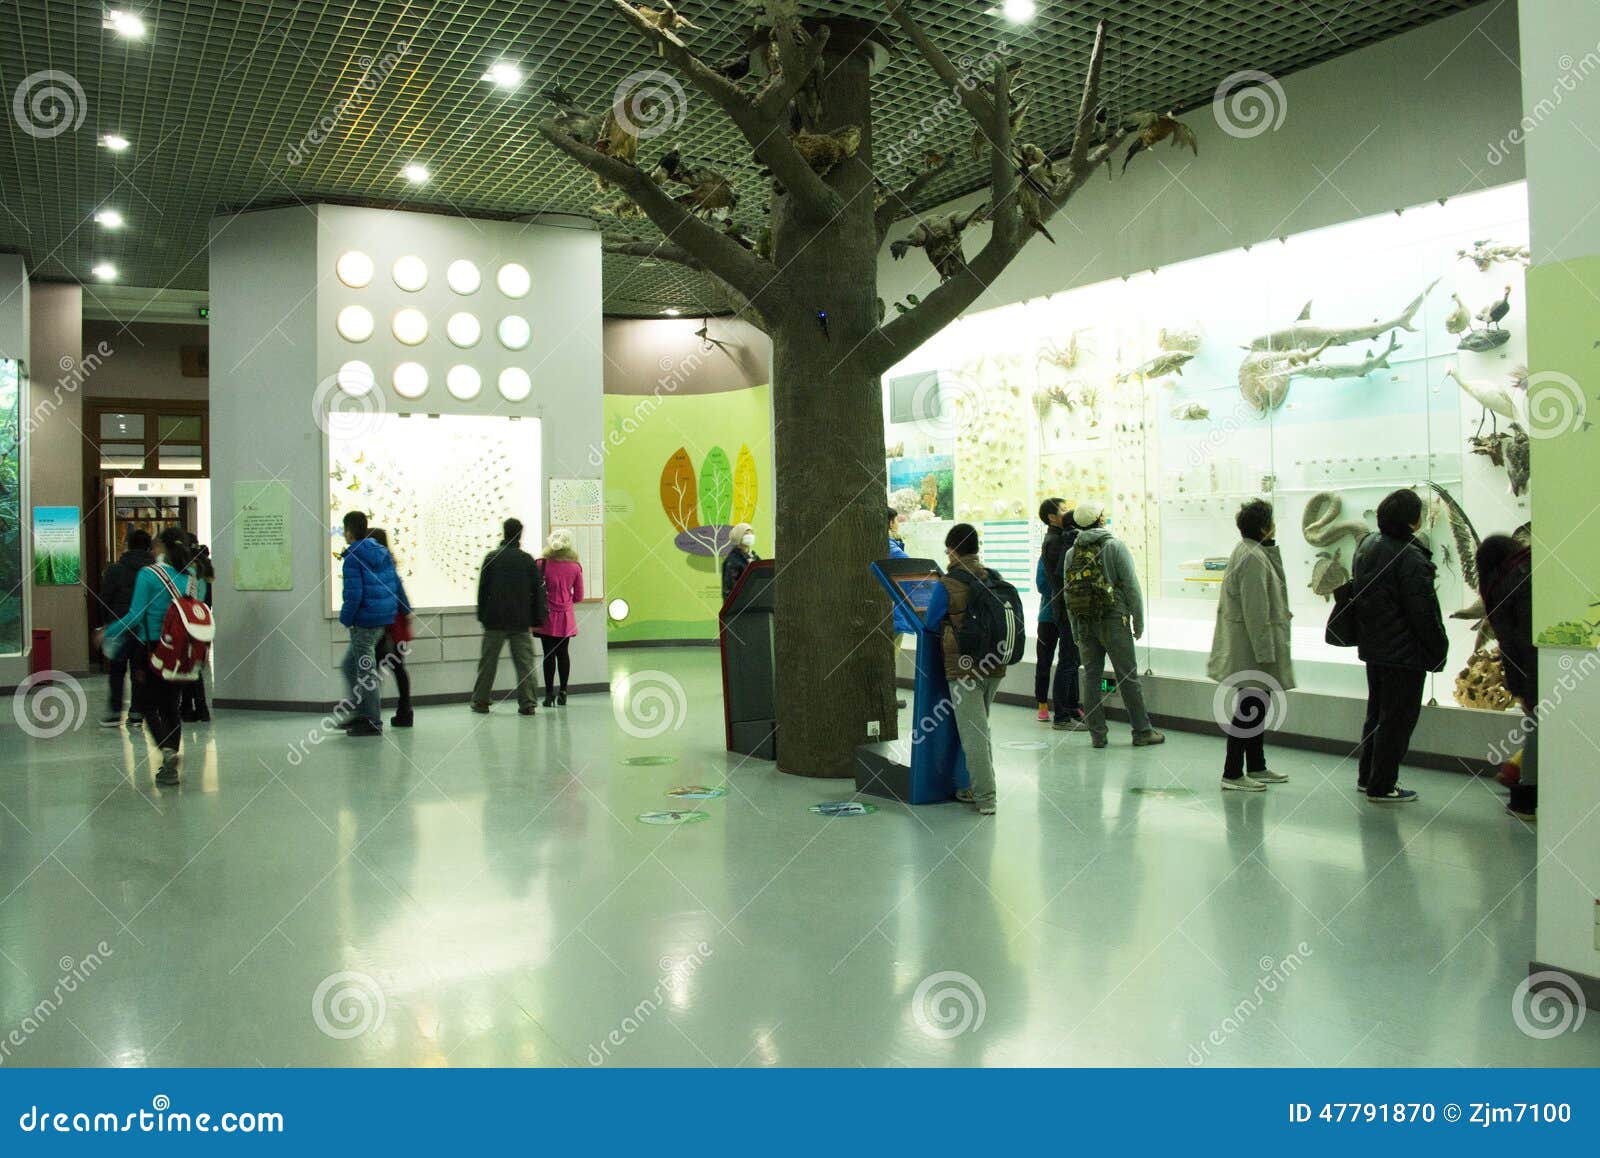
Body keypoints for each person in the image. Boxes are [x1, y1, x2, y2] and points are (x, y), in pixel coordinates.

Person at [1351, 488, 1448, 803]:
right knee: (1397, 720)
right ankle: (1382, 785)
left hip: (1375, 648)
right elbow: (1422, 612)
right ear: (1413, 520)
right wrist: (1438, 648)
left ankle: (1368, 777)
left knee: (1377, 714)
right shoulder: (1410, 557)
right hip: (1403, 654)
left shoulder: (1368, 545)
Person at [97, 528, 204, 785]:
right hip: (181, 650)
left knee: (145, 704)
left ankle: (167, 751)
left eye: (156, 546)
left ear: (162, 548)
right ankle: (170, 768)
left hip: (151, 648)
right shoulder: (191, 578)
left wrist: (108, 632)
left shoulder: (149, 575)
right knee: (172, 706)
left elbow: (135, 615)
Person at [1206, 499, 1294, 790]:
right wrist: (1265, 652)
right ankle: (1232, 773)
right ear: (1264, 527)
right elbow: (1256, 610)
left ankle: (1256, 766)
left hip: (1252, 647)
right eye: (1271, 522)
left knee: (1256, 706)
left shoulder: (1253, 552)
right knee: (1249, 710)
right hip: (1254, 650)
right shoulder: (1252, 557)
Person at [1065, 500, 1165, 749]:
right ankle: (1142, 731)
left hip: (1085, 623)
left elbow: (1068, 595)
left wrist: (1075, 628)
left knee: (1090, 677)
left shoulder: (1071, 553)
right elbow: (1131, 586)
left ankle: (1097, 735)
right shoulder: (1114, 547)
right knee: (1127, 677)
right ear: (1100, 519)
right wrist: (1138, 620)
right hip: (1114, 620)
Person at [922, 523, 1005, 816]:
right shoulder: (993, 577)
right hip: (995, 663)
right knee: (981, 728)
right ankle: (976, 786)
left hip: (964, 667)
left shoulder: (949, 583)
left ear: (953, 550)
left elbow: (930, 623)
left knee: (973, 734)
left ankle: (986, 798)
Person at [1477, 534, 1536, 820]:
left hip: (1526, 672)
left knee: (1537, 729)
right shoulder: (1527, 575)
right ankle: (1525, 796)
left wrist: (1519, 686)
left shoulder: (1498, 588)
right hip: (1537, 669)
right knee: (1539, 731)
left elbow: (1511, 643)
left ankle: (1519, 783)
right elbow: (1525, 639)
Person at [472, 518, 546, 716]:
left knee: (488, 663)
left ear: (503, 532)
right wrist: (538, 619)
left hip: (494, 620)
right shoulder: (527, 560)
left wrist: (482, 616)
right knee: (525, 664)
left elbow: (483, 590)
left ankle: (481, 701)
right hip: (520, 620)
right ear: (520, 534)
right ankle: (528, 703)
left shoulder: (492, 558)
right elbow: (537, 592)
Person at [338, 510, 400, 737]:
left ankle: (372, 721)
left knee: (366, 672)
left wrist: (346, 618)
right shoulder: (380, 552)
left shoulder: (353, 557)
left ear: (349, 531)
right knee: (350, 666)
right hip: (380, 620)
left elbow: (354, 595)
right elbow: (392, 584)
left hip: (363, 623)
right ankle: (360, 712)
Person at [97, 528, 154, 728]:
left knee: (116, 671)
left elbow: (104, 600)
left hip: (120, 628)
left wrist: (108, 624)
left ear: (128, 545)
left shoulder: (114, 570)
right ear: (149, 546)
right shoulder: (155, 570)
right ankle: (137, 713)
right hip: (145, 630)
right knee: (140, 672)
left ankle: (114, 712)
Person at [1036, 497, 1084, 729]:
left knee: (1073, 660)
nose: (1068, 513)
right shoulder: (1054, 541)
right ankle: (1062, 716)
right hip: (1063, 609)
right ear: (1052, 517)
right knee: (1066, 661)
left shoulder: (1060, 537)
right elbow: (1059, 574)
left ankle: (1072, 708)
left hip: (1067, 608)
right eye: (1063, 510)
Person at [367, 528, 415, 729]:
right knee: (397, 666)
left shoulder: (377, 564)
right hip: (398, 622)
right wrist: (406, 610)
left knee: (373, 668)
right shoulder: (389, 562)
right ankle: (405, 710)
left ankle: (371, 713)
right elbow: (399, 589)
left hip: (386, 622)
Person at [536, 529, 584, 707]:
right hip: (566, 617)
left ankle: (549, 695)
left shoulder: (541, 564)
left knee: (548, 656)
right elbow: (578, 596)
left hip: (547, 617)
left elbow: (534, 591)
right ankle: (563, 692)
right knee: (563, 654)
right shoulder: (575, 567)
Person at [178, 536, 215, 723]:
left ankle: (189, 708)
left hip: (188, 621)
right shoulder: (204, 569)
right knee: (195, 666)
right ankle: (198, 708)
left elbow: (187, 597)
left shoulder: (189, 572)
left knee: (188, 666)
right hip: (201, 620)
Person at [887, 507, 914, 709]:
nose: (898, 524)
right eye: (896, 521)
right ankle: (889, 697)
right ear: (889, 523)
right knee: (891, 656)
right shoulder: (890, 546)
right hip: (892, 611)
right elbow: (908, 565)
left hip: (887, 611)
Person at [722, 522, 759, 599]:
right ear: (738, 537)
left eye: (751, 533)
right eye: (746, 533)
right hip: (741, 606)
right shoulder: (733, 561)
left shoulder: (754, 556)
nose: (750, 536)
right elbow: (730, 589)